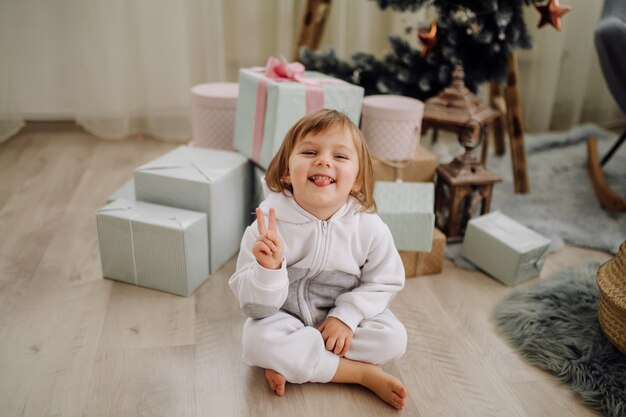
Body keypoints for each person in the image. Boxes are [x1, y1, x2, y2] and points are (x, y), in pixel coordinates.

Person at [229, 108, 408, 410]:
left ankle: (297, 363)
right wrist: (267, 271)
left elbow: (385, 282)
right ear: (287, 171)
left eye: (340, 157)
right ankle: (359, 374)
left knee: (394, 338)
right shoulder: (266, 228)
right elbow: (252, 306)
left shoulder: (370, 227)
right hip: (284, 316)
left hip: (344, 324)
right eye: (310, 151)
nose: (323, 160)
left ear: (357, 181)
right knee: (255, 340)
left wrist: (346, 317)